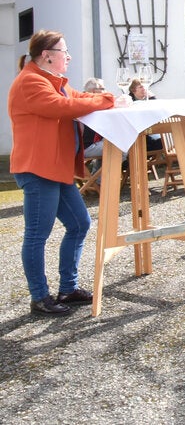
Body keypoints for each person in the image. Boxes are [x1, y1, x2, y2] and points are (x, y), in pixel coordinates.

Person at [8, 30, 115, 316]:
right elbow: (63, 106)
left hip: (56, 169)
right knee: (37, 235)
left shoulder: (52, 81)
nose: (68, 56)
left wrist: (108, 98)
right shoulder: (30, 81)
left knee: (80, 224)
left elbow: (77, 96)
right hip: (38, 169)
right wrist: (105, 101)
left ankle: (67, 289)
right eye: (64, 51)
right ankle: (39, 297)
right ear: (47, 56)